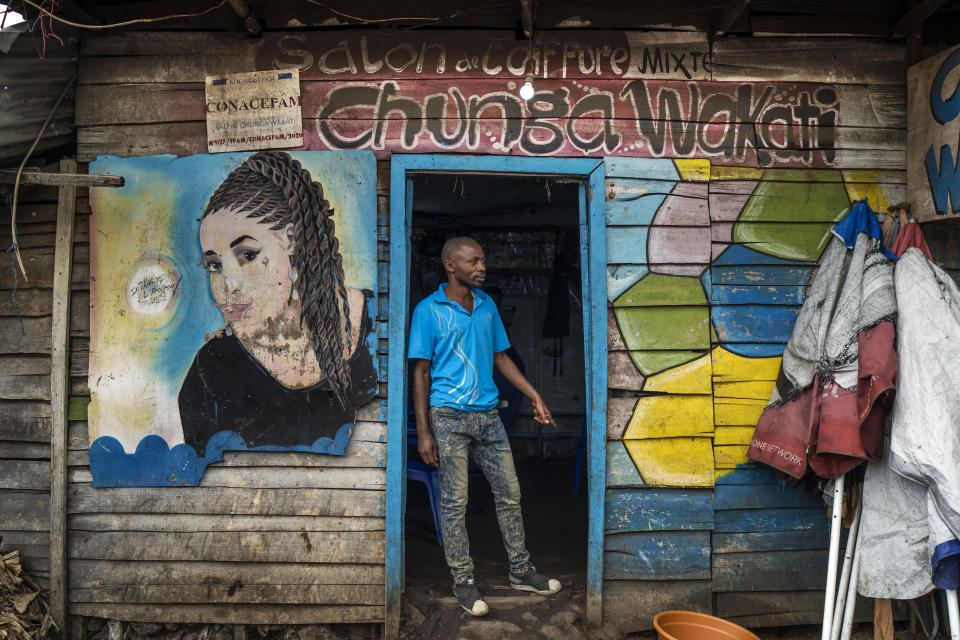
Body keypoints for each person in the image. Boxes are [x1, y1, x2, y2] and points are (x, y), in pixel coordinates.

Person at [178, 151, 377, 458]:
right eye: (214, 266)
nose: (228, 286)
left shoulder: (376, 322)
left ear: (291, 238)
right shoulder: (211, 369)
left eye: (247, 255)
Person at [408, 236, 562, 617]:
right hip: (448, 416)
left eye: (483, 261)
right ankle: (462, 580)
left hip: (488, 416)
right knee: (455, 502)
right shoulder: (429, 311)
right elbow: (421, 372)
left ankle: (521, 570)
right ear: (451, 265)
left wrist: (534, 395)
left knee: (509, 493)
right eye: (474, 261)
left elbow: (500, 357)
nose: (482, 267)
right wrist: (424, 431)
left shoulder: (487, 305)